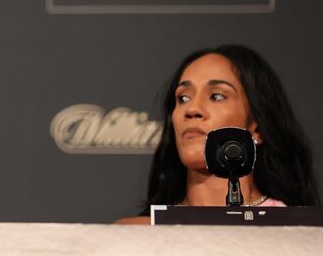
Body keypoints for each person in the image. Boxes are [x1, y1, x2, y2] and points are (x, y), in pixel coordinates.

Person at [117, 45, 320, 224]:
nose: (192, 109)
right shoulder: (135, 235)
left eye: (216, 96)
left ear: (257, 127)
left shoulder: (300, 232)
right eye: (183, 98)